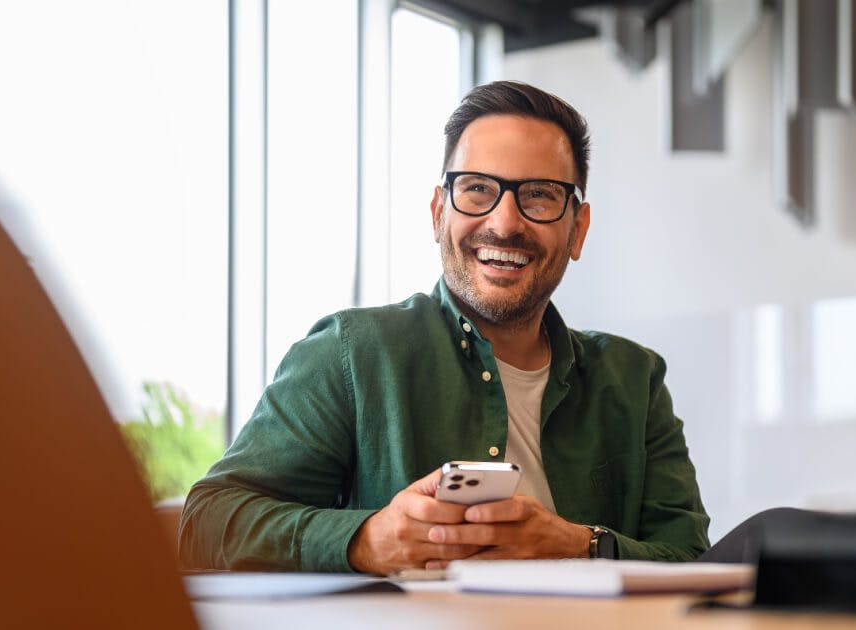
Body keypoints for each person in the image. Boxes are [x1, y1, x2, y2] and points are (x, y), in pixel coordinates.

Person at [179, 80, 710, 574]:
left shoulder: (636, 380)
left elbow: (692, 559)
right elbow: (207, 522)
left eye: (540, 195)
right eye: (477, 189)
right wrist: (365, 538)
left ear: (578, 229)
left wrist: (579, 544)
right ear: (438, 213)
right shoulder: (351, 355)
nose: (504, 222)